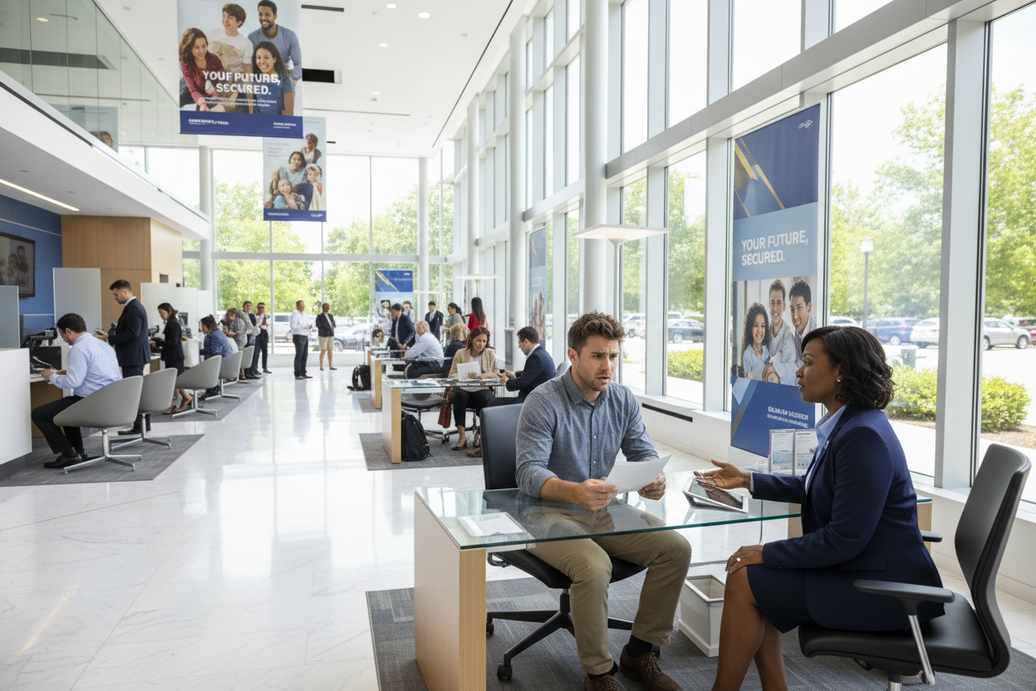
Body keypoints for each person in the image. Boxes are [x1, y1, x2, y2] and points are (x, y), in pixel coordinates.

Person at [703, 325, 944, 691]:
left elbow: (843, 539)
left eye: (809, 362)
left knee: (747, 576)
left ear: (841, 372)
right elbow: (815, 486)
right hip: (864, 569)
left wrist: (766, 552)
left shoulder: (863, 436)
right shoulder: (848, 423)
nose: (798, 371)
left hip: (886, 591)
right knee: (753, 578)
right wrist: (748, 479)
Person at [514, 312, 691, 691]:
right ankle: (599, 674)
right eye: (597, 356)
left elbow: (644, 454)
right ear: (573, 356)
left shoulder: (622, 398)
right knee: (594, 567)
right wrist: (574, 491)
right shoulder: (543, 400)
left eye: (613, 356)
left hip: (603, 511)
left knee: (676, 548)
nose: (607, 366)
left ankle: (639, 652)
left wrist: (653, 481)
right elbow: (527, 472)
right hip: (547, 513)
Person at [33, 313, 121, 469]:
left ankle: (68, 454)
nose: (64, 339)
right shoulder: (102, 344)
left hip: (92, 402)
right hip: (112, 400)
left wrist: (51, 376)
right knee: (68, 407)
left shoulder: (78, 348)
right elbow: (102, 372)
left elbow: (73, 383)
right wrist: (71, 371)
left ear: (68, 331)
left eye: (62, 335)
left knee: (39, 414)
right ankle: (80, 452)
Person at [94, 280, 151, 435]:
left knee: (134, 391)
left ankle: (139, 426)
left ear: (124, 292)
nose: (114, 297)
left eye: (116, 294)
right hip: (134, 356)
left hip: (133, 357)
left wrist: (109, 339)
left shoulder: (133, 308)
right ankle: (142, 425)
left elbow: (133, 333)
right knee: (136, 390)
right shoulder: (133, 307)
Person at [447, 326, 499, 450]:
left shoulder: (490, 353)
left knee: (485, 397)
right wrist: (464, 374)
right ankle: (462, 437)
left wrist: (484, 375)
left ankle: (480, 434)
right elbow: (451, 375)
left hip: (481, 390)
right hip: (464, 389)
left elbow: (496, 372)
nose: (481, 344)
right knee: (458, 395)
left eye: (484, 341)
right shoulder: (460, 353)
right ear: (471, 340)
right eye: (478, 341)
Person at [485, 326, 556, 408]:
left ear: (526, 341)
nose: (519, 347)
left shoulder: (535, 357)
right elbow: (529, 377)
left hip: (531, 402)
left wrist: (506, 381)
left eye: (519, 343)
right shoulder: (542, 353)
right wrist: (513, 377)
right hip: (537, 399)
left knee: (490, 403)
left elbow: (522, 383)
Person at [248, 0, 301, 98]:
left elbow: (299, 64)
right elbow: (251, 65)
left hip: (283, 77)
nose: (263, 18)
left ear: (275, 16)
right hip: (262, 78)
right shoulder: (252, 38)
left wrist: (292, 78)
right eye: (260, 14)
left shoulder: (289, 36)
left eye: (267, 14)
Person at [208, 3, 252, 112]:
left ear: (239, 22)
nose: (225, 20)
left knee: (240, 110)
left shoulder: (246, 44)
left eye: (230, 18)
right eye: (224, 16)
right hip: (210, 79)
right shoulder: (212, 35)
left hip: (232, 83)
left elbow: (245, 72)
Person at [151, 303, 192, 414]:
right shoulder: (172, 323)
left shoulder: (173, 324)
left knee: (175, 379)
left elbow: (173, 342)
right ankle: (186, 398)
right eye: (159, 313)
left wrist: (159, 342)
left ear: (168, 312)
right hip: (174, 355)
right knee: (175, 379)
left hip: (174, 356)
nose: (161, 315)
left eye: (162, 313)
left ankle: (186, 398)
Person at [179, 28, 227, 112]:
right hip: (189, 91)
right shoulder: (186, 63)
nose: (201, 51)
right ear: (190, 48)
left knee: (209, 109)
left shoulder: (214, 60)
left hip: (209, 95)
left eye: (204, 46)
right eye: (196, 47)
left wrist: (216, 92)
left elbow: (224, 82)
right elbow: (193, 90)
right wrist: (202, 103)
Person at [761, 279, 797, 385]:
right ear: (769, 305)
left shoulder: (789, 339)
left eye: (779, 303)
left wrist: (772, 366)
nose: (775, 308)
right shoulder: (763, 334)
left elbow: (792, 375)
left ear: (784, 306)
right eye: (772, 303)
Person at [250, 40, 294, 115]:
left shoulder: (285, 79)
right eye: (259, 57)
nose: (262, 61)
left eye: (266, 57)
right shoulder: (255, 77)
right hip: (258, 122)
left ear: (274, 59)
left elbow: (289, 111)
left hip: (276, 123)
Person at [788, 279, 817, 367]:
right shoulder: (798, 330)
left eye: (799, 308)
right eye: (792, 309)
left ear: (809, 307)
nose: (795, 316)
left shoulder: (817, 334)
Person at [740, 302, 771, 380]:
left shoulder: (767, 351)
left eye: (763, 326)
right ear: (750, 327)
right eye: (755, 325)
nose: (759, 330)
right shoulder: (748, 355)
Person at [290, 299, 312, 379]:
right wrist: (305, 327)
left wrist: (308, 326)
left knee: (304, 355)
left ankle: (303, 372)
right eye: (301, 305)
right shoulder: (295, 315)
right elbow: (293, 327)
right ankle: (297, 373)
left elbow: (306, 324)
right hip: (298, 336)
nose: (303, 307)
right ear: (298, 306)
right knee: (299, 355)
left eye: (304, 305)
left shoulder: (303, 315)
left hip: (305, 335)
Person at [241, 301, 260, 379]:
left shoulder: (252, 315)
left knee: (253, 355)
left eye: (250, 306)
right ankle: (245, 373)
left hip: (251, 337)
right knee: (245, 355)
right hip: (243, 337)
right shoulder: (241, 315)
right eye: (247, 306)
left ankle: (251, 371)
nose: (248, 307)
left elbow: (254, 326)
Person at [316, 302, 337, 371]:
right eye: (327, 307)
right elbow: (318, 325)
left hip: (330, 334)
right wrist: (326, 328)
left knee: (330, 350)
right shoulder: (319, 316)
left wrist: (332, 326)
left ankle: (330, 366)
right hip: (323, 335)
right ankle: (321, 366)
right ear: (323, 308)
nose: (328, 309)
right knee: (323, 350)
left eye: (328, 308)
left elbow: (333, 323)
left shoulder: (330, 315)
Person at [253, 302, 271, 373]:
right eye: (259, 307)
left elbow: (267, 325)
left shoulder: (266, 316)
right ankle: (255, 367)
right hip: (257, 333)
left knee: (265, 351)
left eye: (262, 307)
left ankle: (264, 367)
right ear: (257, 308)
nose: (260, 309)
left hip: (264, 333)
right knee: (256, 351)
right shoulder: (254, 316)